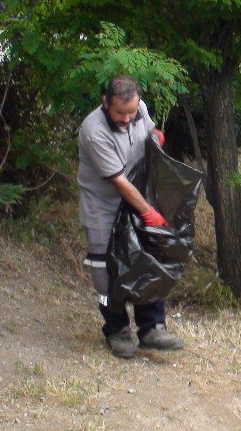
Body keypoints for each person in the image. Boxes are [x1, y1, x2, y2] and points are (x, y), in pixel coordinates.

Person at [77, 75, 184, 358]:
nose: (126, 119)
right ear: (105, 103)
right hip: (104, 207)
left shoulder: (140, 109)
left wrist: (154, 135)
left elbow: (148, 129)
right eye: (119, 113)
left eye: (131, 113)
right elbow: (119, 181)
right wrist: (149, 213)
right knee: (105, 272)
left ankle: (152, 330)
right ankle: (116, 330)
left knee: (149, 259)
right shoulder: (93, 131)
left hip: (138, 198)